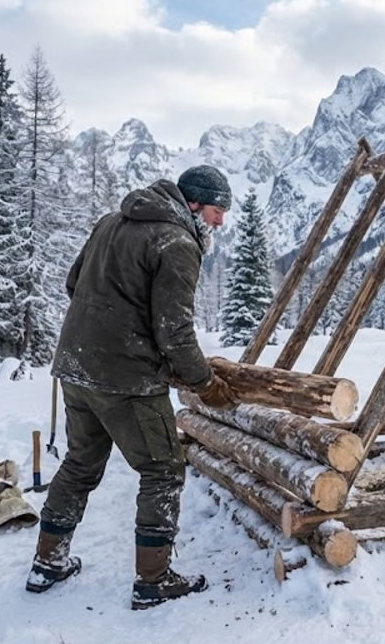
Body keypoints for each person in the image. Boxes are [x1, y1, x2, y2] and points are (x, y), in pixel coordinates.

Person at [26, 164, 238, 610]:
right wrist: (205, 384)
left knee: (80, 463)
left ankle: (48, 562)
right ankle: (154, 579)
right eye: (217, 211)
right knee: (163, 470)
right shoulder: (177, 243)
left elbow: (73, 283)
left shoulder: (112, 222)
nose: (220, 221)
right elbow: (175, 332)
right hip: (128, 380)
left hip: (75, 367)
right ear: (194, 203)